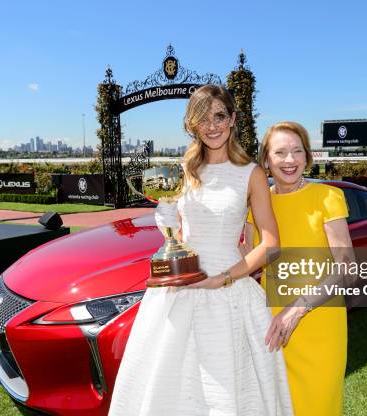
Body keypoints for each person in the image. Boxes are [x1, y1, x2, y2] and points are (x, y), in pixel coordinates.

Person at [108, 86, 293, 416]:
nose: (212, 125)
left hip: (231, 293)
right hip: (182, 289)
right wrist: (166, 220)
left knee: (230, 392)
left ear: (233, 119)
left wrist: (222, 279)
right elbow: (180, 236)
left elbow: (270, 244)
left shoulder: (251, 174)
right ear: (192, 124)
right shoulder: (185, 171)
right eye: (202, 118)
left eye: (219, 116)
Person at [245, 121, 355, 416]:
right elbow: (244, 260)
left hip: (319, 324)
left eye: (297, 151)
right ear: (266, 159)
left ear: (308, 157)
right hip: (270, 326)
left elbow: (347, 269)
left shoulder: (327, 198)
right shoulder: (257, 203)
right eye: (280, 152)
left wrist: (297, 309)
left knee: (317, 406)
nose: (289, 160)